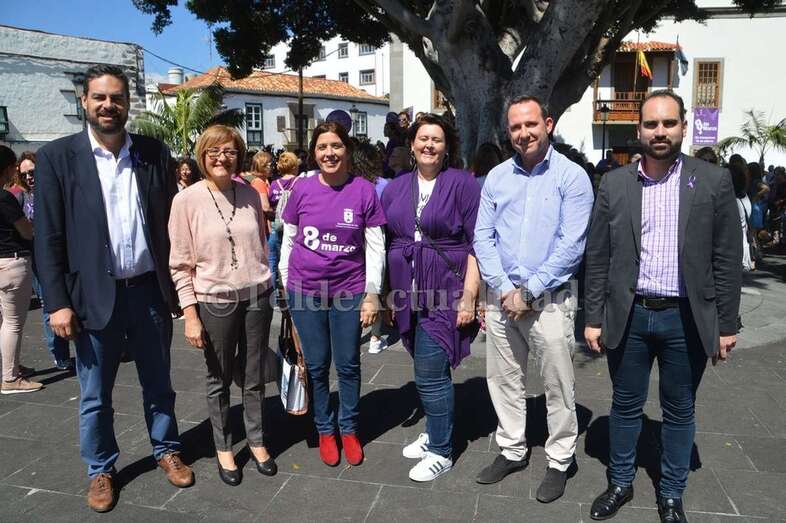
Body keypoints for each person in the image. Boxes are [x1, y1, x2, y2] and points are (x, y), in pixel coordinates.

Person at [34, 65, 193, 513]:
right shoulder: (56, 159)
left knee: (159, 383)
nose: (109, 106)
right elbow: (48, 238)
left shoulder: (152, 153)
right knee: (94, 394)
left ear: (127, 103)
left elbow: (168, 223)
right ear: (83, 100)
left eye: (117, 98)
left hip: (148, 293)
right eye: (100, 97)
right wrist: (57, 303)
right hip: (91, 300)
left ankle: (167, 449)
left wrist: (179, 288)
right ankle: (101, 468)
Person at [584, 90, 742, 522]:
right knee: (625, 404)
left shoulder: (712, 181)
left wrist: (727, 325)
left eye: (668, 123)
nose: (659, 132)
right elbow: (598, 256)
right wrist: (592, 317)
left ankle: (671, 494)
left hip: (685, 319)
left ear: (683, 127)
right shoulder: (615, 184)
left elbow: (726, 258)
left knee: (679, 409)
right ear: (638, 130)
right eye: (651, 124)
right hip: (630, 316)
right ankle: (619, 483)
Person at [473, 95, 594, 502]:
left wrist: (530, 291)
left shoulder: (572, 177)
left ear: (548, 124)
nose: (523, 133)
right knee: (503, 378)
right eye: (515, 127)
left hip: (552, 300)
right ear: (508, 132)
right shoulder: (496, 178)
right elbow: (483, 237)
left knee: (558, 382)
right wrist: (505, 288)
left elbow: (571, 246)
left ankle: (560, 459)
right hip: (502, 295)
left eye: (531, 125)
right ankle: (511, 448)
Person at [169, 125, 276, 486]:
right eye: (214, 151)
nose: (221, 157)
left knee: (254, 376)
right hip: (214, 302)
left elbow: (259, 245)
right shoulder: (186, 200)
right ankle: (225, 447)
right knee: (218, 378)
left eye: (229, 151)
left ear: (239, 155)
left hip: (258, 297)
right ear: (202, 155)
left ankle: (258, 440)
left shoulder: (248, 194)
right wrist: (190, 316)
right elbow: (180, 264)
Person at [279, 121, 386, 468]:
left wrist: (372, 294)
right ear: (314, 152)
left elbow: (375, 246)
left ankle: (349, 428)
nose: (330, 153)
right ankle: (325, 429)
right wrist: (285, 285)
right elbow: (289, 240)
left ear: (347, 150)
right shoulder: (302, 190)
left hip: (348, 291)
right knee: (317, 364)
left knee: (349, 364)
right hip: (304, 290)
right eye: (323, 147)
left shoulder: (364, 191)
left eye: (336, 146)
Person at [382, 114, 481, 481]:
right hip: (407, 292)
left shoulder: (463, 184)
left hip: (447, 290)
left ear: (447, 146)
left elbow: (478, 244)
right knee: (425, 368)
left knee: (430, 372)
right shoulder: (396, 187)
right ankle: (435, 431)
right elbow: (388, 240)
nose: (429, 145)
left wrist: (470, 296)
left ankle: (442, 450)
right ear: (411, 145)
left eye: (436, 139)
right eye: (423, 138)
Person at [16, 152, 73, 370]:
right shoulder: (21, 197)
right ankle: (60, 354)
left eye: (32, 172)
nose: (29, 177)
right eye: (24, 174)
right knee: (49, 304)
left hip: (65, 254)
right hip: (39, 260)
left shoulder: (56, 192)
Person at [0, 146, 41, 394]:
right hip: (12, 262)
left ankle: (9, 367)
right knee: (14, 323)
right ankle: (10, 377)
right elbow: (26, 231)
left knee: (4, 321)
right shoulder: (5, 197)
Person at [352, 142, 391, 355]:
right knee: (376, 289)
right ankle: (375, 337)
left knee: (356, 288)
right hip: (378, 241)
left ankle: (353, 333)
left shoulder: (350, 185)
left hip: (353, 243)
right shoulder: (385, 185)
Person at [268, 151, 300, 291]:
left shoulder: (274, 184)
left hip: (277, 224)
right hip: (294, 225)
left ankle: (276, 295)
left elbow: (269, 204)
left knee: (274, 261)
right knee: (292, 261)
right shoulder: (300, 182)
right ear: (294, 165)